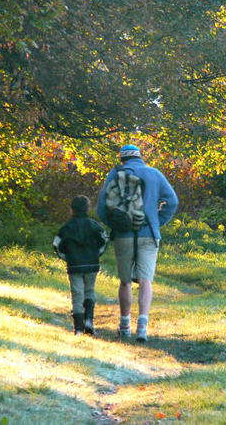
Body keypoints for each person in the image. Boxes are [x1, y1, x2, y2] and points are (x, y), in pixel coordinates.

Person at [97, 144, 178, 341]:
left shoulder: (115, 174)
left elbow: (101, 208)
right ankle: (142, 326)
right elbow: (172, 201)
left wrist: (115, 224)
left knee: (125, 281)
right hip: (149, 233)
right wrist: (157, 222)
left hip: (123, 236)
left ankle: (124, 325)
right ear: (140, 157)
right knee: (145, 280)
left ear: (122, 159)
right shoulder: (154, 174)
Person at [53, 195, 108, 335]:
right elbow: (104, 241)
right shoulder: (96, 226)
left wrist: (67, 258)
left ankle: (78, 328)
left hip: (74, 266)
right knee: (89, 291)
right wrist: (97, 255)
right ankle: (89, 320)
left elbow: (57, 245)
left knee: (77, 295)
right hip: (92, 264)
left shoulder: (66, 228)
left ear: (71, 210)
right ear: (88, 209)